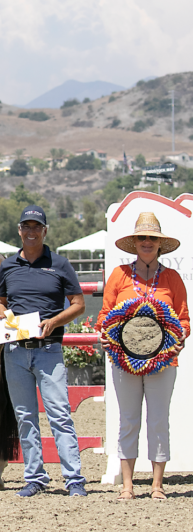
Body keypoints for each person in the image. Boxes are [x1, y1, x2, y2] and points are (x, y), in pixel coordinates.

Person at [0, 205, 88, 497]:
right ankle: (35, 477)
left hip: (49, 350)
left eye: (37, 227)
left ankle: (74, 479)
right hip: (15, 352)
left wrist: (55, 321)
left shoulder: (60, 264)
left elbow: (79, 304)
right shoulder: (8, 265)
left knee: (59, 414)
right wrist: (0, 315)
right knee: (25, 416)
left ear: (45, 231)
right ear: (19, 230)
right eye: (26, 226)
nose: (31, 231)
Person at [95, 212, 189, 501]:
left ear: (160, 244)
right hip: (124, 363)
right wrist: (102, 333)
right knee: (128, 420)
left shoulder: (172, 279)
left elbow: (183, 320)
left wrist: (178, 342)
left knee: (159, 420)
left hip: (164, 363)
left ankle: (157, 485)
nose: (147, 242)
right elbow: (104, 314)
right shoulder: (119, 276)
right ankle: (127, 485)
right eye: (142, 237)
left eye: (152, 238)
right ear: (134, 243)